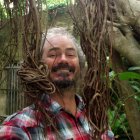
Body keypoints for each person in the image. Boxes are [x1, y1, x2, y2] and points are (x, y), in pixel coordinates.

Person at [0, 27, 114, 140]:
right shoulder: (19, 129)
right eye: (53, 55)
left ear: (80, 64)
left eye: (70, 55)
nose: (63, 60)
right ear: (37, 65)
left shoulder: (96, 116)